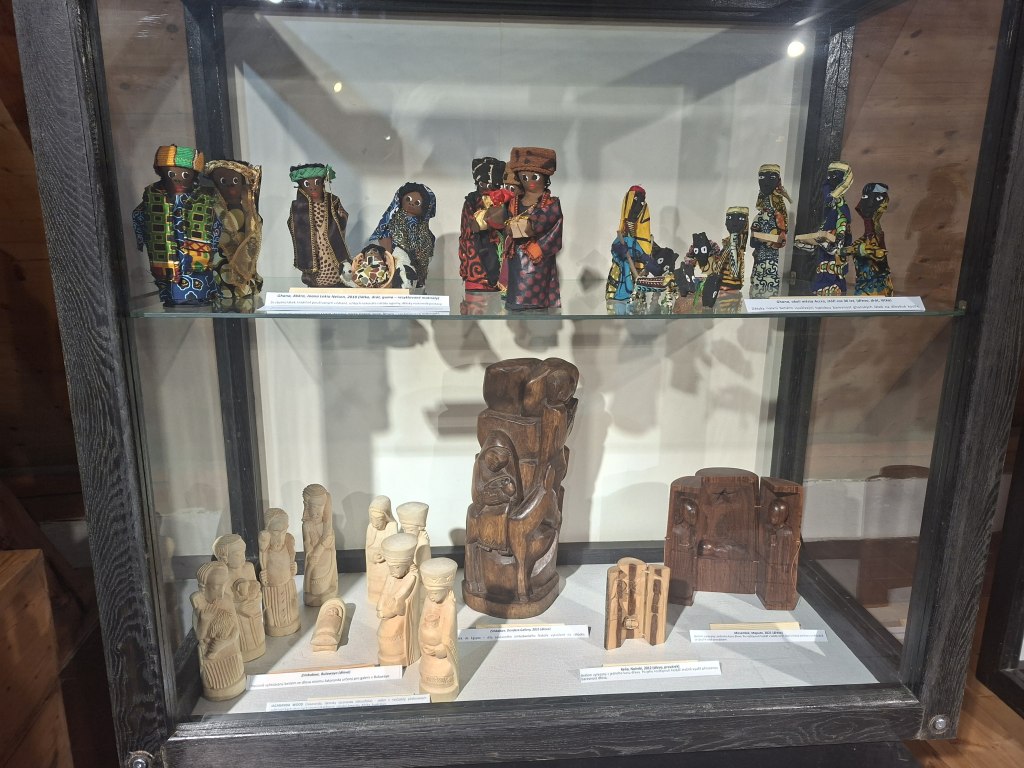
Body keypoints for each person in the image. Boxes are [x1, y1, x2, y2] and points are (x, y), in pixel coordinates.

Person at [133, 144, 221, 305]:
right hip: (165, 256)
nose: (178, 178)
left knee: (198, 276)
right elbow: (138, 216)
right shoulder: (153, 196)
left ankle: (200, 297)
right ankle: (171, 298)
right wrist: (142, 238)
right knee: (167, 279)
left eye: (185, 174)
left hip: (196, 257)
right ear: (161, 173)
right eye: (171, 174)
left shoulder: (204, 198)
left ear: (194, 175)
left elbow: (216, 224)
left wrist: (213, 246)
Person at [287, 163, 352, 287]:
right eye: (307, 184)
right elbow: (293, 227)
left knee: (336, 270)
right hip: (313, 252)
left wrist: (342, 218)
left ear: (323, 184)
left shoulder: (333, 201)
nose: (313, 188)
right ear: (301, 187)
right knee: (316, 273)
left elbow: (341, 223)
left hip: (331, 246)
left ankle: (337, 280)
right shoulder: (298, 207)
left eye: (317, 183)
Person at [370, 182, 437, 287]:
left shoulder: (423, 229)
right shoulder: (392, 222)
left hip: (417, 265)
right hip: (395, 261)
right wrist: (389, 257)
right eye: (408, 199)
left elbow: (428, 246)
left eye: (417, 203)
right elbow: (384, 236)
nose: (411, 204)